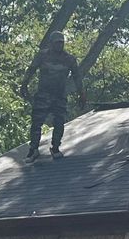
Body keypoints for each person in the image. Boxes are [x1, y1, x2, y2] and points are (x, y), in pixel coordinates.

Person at [21, 30, 86, 160]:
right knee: (36, 122)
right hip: (43, 94)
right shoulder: (42, 56)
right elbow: (31, 70)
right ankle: (33, 149)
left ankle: (55, 147)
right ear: (51, 43)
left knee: (59, 122)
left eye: (61, 43)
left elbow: (77, 77)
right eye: (57, 43)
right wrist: (24, 84)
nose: (59, 45)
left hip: (59, 96)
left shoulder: (69, 59)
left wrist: (82, 94)